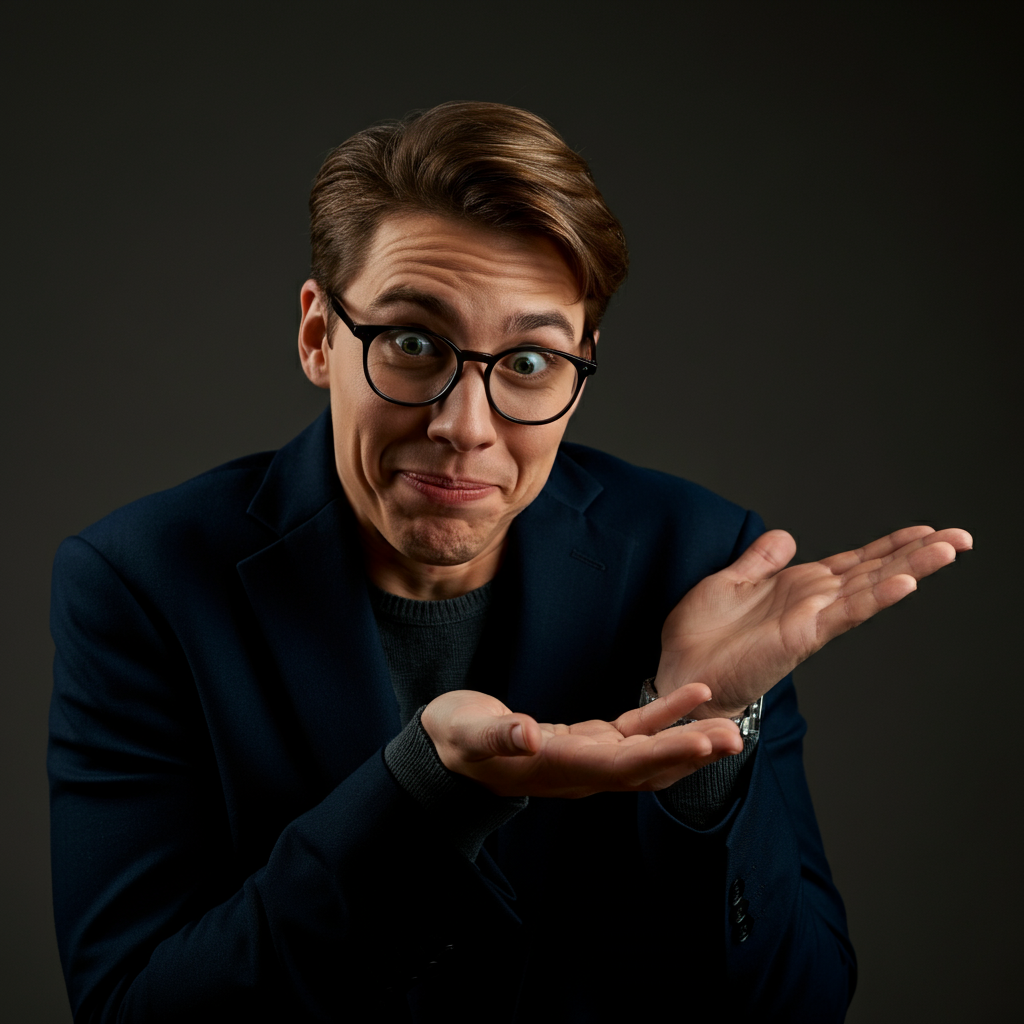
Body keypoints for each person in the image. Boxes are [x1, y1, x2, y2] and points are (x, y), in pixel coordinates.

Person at [48, 101, 970, 1023]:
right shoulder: (142, 584)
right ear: (319, 335)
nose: (465, 427)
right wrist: (423, 793)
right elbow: (135, 1011)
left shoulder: (701, 565)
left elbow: (799, 1007)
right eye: (413, 345)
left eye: (529, 360)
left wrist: (704, 740)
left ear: (581, 370)